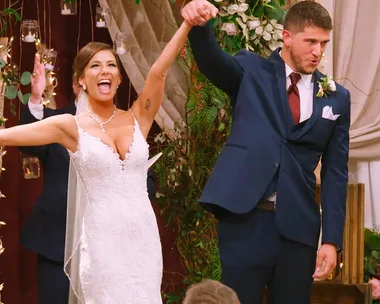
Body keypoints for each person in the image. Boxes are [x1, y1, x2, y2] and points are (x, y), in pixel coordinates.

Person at [3, 19, 202, 303]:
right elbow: (9, 136)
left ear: (119, 79)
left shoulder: (138, 119)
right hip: (101, 243)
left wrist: (186, 24)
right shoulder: (70, 126)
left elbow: (158, 72)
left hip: (143, 239)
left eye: (111, 65)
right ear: (81, 80)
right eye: (95, 65)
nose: (105, 70)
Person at [182, 1, 350, 303]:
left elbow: (336, 172)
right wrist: (199, 24)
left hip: (298, 228)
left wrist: (333, 240)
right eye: (310, 41)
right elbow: (212, 62)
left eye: (323, 43)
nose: (318, 51)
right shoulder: (251, 70)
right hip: (245, 220)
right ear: (287, 37)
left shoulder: (337, 98)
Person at [18, 76, 158, 303]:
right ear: (76, 84)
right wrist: (35, 99)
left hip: (111, 246)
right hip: (57, 242)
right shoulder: (56, 121)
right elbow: (28, 144)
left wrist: (125, 187)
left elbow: (148, 184)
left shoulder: (125, 125)